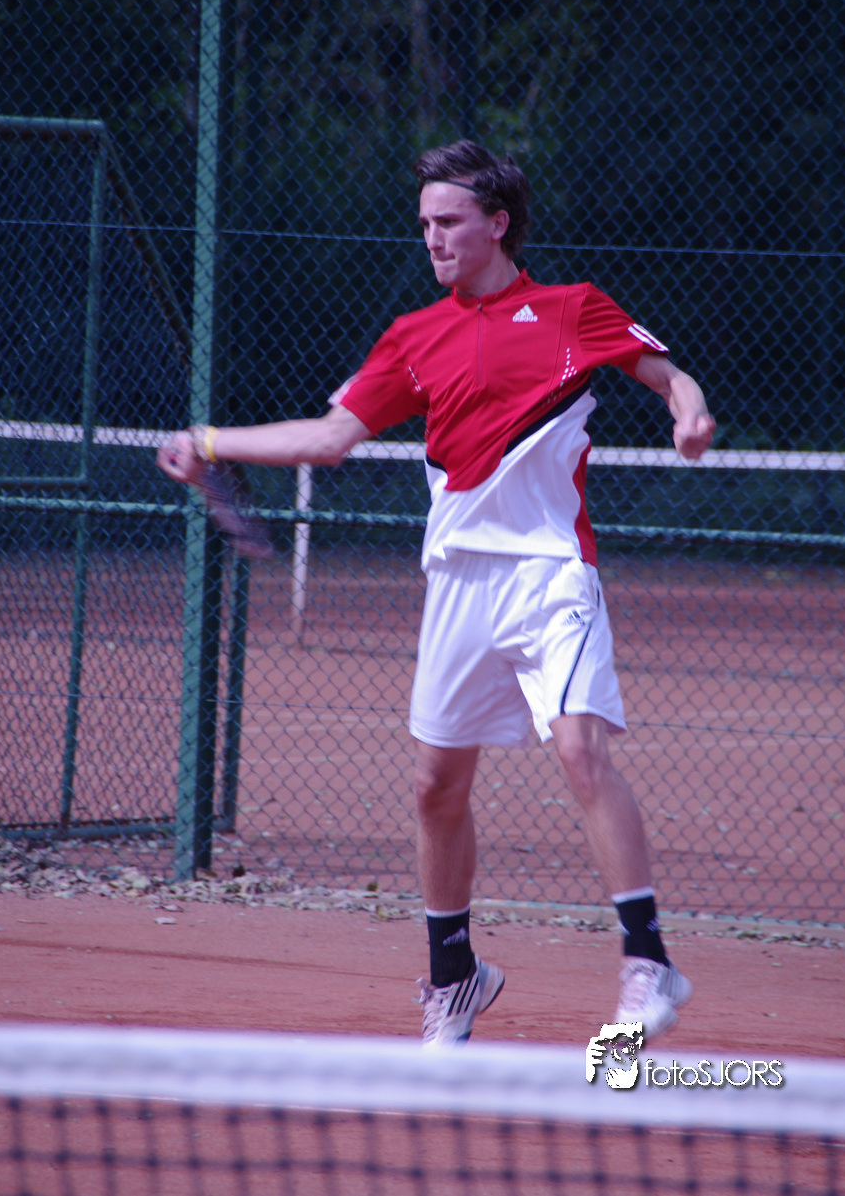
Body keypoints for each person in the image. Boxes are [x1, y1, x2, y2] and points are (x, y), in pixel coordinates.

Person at [157, 140, 716, 1047]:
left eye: (449, 221)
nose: (433, 238)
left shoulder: (571, 309)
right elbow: (329, 439)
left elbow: (668, 373)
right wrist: (211, 441)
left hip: (550, 573)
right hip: (457, 579)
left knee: (580, 752)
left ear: (497, 223)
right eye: (424, 224)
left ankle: (647, 961)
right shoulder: (413, 336)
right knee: (433, 786)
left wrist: (688, 415)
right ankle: (454, 976)